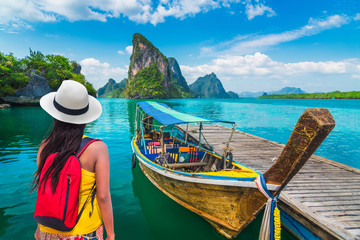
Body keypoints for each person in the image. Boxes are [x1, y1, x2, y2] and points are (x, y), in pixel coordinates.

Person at [32, 80, 115, 240]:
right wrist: (110, 234)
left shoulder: (44, 147)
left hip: (47, 230)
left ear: (55, 115)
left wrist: (39, 229)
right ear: (85, 118)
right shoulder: (97, 149)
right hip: (84, 232)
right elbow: (103, 197)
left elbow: (47, 191)